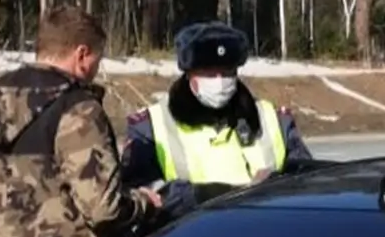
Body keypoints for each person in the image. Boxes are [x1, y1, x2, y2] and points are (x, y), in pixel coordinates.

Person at [0, 4, 164, 237]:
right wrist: (144, 203)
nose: (96, 69)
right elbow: (103, 209)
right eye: (98, 59)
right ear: (82, 54)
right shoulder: (78, 111)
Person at [121, 22, 312, 217]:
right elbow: (141, 196)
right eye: (209, 72)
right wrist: (208, 195)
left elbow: (308, 181)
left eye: (227, 72)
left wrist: (277, 182)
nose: (219, 81)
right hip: (192, 233)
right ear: (189, 73)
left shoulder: (272, 118)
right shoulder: (150, 126)